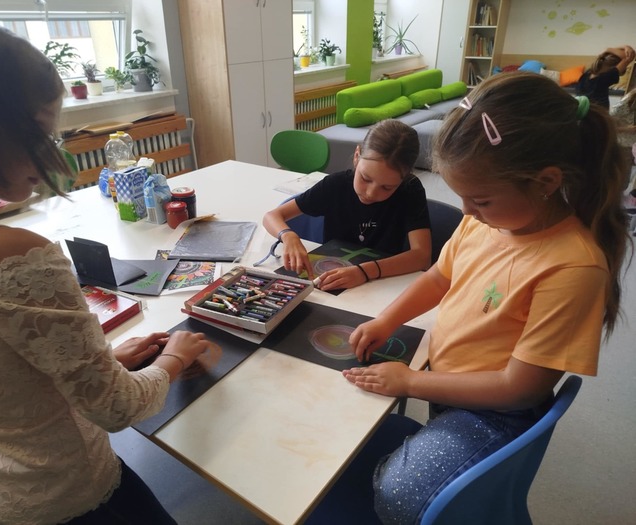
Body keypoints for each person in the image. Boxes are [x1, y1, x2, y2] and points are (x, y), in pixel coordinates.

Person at [0, 13, 215, 524]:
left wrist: (95, 362)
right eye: (42, 132)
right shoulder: (7, 253)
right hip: (59, 494)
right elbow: (116, 410)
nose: (55, 155)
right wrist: (174, 358)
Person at [342, 72, 631, 524]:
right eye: (462, 197)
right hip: (450, 384)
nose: (466, 212)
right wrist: (385, 320)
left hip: (498, 412)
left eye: (480, 200)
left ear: (546, 181)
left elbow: (521, 388)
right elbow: (438, 277)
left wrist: (411, 383)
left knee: (398, 495)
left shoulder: (573, 267)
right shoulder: (485, 221)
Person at [262, 119, 432, 292]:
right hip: (332, 280)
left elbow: (422, 256)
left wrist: (364, 272)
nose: (371, 193)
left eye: (387, 188)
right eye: (365, 178)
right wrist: (288, 236)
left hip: (380, 285)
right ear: (357, 156)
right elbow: (271, 216)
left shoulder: (410, 190)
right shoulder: (335, 185)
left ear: (404, 178)